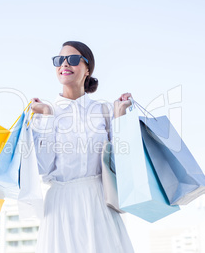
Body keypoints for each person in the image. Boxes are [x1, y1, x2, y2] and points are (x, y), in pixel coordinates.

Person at [30, 41, 135, 253]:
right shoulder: (44, 111)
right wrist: (47, 117)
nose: (65, 64)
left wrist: (120, 117)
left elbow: (123, 163)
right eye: (59, 60)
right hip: (60, 205)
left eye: (74, 59)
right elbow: (43, 167)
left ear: (88, 69)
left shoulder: (104, 110)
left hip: (99, 201)